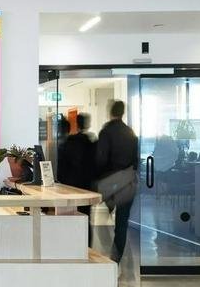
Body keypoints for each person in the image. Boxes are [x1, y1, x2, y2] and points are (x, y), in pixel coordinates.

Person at [96, 100, 139, 263]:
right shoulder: (130, 132)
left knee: (101, 221)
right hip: (127, 182)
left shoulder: (106, 132)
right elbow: (135, 160)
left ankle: (100, 254)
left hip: (110, 182)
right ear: (123, 113)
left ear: (110, 112)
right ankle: (116, 257)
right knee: (122, 222)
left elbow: (101, 159)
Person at [57, 113, 97, 246]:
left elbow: (61, 171)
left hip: (70, 188)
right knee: (86, 219)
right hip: (87, 187)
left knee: (70, 219)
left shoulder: (67, 144)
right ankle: (87, 249)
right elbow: (95, 166)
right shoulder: (91, 143)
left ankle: (72, 247)